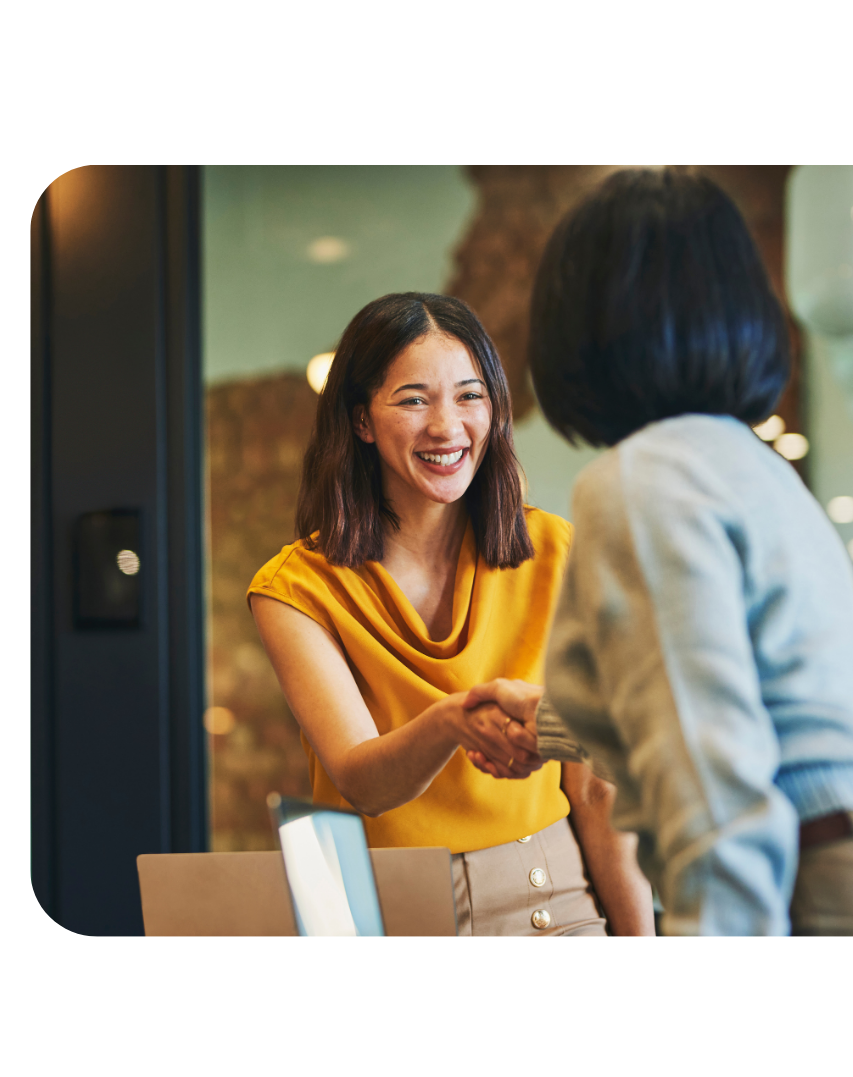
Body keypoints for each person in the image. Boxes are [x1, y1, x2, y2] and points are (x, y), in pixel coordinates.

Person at [464, 169, 853, 937]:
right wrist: (548, 727)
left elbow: (714, 791)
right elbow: (745, 697)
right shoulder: (752, 470)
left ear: (581, 321)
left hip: (816, 888)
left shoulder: (641, 481)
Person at [248, 293, 654, 937]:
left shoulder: (557, 552)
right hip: (377, 910)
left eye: (470, 396)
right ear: (361, 421)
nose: (447, 426)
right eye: (414, 399)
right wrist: (454, 721)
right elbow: (363, 782)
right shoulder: (293, 589)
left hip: (552, 902)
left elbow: (598, 789)